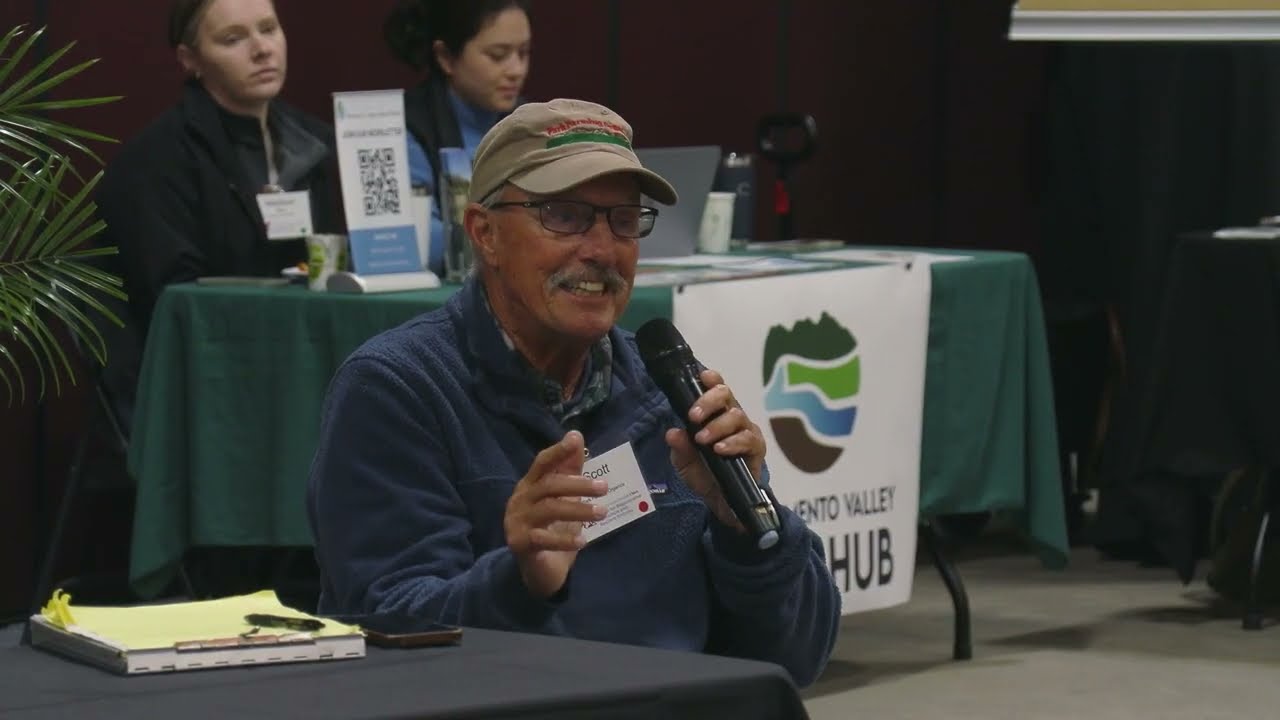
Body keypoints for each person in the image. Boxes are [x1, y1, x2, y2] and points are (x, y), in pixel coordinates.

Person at [308, 98, 841, 686]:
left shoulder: (672, 394)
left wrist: (747, 531)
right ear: (485, 233)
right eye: (564, 215)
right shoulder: (398, 390)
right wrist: (518, 582)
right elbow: (387, 641)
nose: (602, 250)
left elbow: (798, 659)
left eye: (624, 219)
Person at [94, 0, 343, 431]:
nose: (262, 49)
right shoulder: (155, 162)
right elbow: (177, 303)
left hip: (300, 367)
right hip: (199, 385)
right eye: (233, 39)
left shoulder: (314, 144)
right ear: (190, 60)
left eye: (269, 29)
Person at [384, 0, 531, 274]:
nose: (516, 70)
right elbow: (419, 240)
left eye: (523, 53)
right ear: (446, 58)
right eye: (498, 55)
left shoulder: (532, 123)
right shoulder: (406, 127)